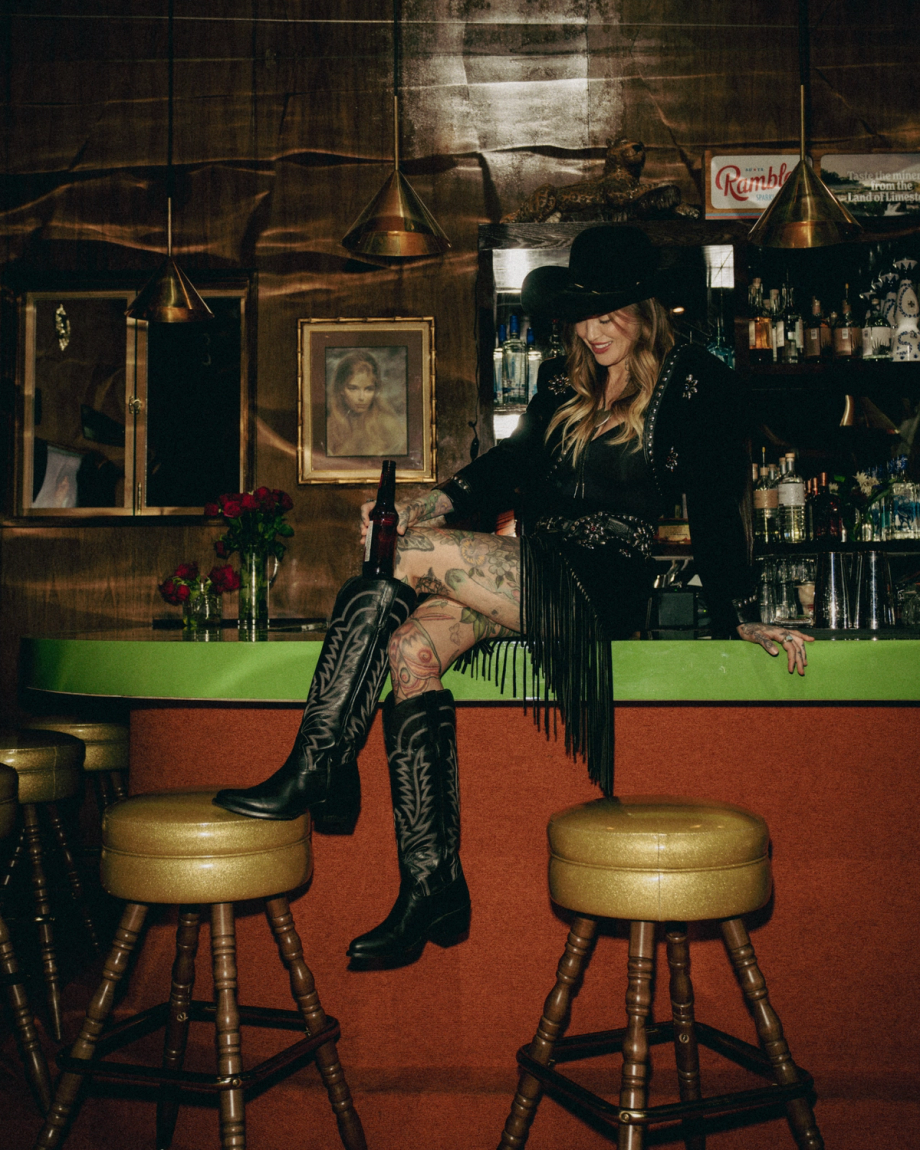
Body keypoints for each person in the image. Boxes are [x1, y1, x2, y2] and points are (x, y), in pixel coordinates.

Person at [215, 225, 812, 968]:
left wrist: (742, 613)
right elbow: (505, 468)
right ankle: (432, 883)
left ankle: (322, 760)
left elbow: (723, 505)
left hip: (599, 586)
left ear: (645, 308)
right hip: (532, 568)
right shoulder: (564, 387)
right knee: (409, 650)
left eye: (609, 313)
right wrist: (425, 503)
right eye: (581, 316)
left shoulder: (696, 380)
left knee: (407, 554)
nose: (592, 331)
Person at [326, 349, 407, 458]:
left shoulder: (387, 425)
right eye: (353, 388)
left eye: (368, 389)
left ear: (376, 390)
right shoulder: (331, 426)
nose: (361, 397)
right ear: (340, 389)